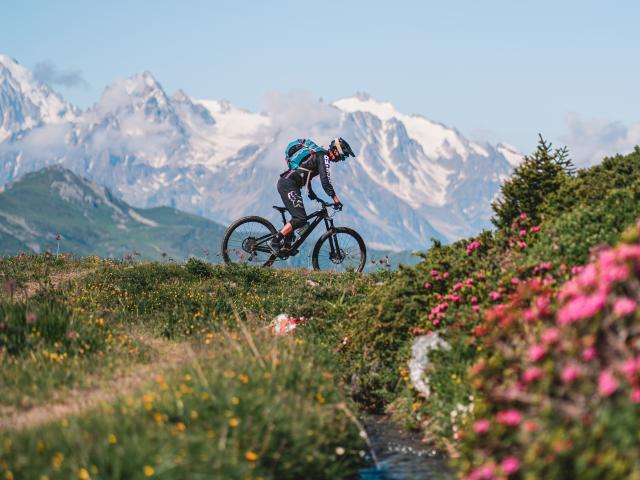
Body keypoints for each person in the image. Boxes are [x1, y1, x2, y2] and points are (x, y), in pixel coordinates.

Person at [269, 137, 355, 255]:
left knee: (302, 221)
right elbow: (325, 181)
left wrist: (314, 196)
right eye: (343, 155)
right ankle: (275, 241)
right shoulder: (323, 156)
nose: (342, 159)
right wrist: (336, 199)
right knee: (300, 218)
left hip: (289, 184)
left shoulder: (318, 156)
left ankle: (286, 245)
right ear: (336, 151)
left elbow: (306, 176)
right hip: (288, 185)